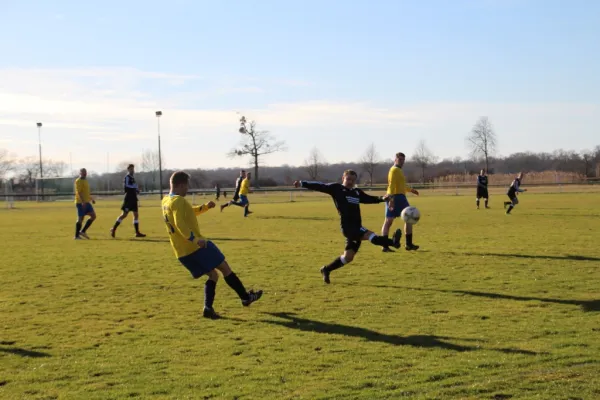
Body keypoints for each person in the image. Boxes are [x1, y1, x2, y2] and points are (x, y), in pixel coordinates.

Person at [162, 171, 263, 319]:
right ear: (181, 185)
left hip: (181, 252)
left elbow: (186, 213)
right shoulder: (179, 201)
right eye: (186, 186)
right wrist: (195, 240)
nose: (188, 189)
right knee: (224, 267)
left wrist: (205, 207)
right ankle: (245, 297)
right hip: (197, 246)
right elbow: (180, 224)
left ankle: (208, 309)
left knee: (213, 275)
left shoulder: (166, 200)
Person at [294, 169, 402, 284]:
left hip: (356, 226)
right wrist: (302, 183)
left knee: (348, 257)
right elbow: (320, 186)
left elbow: (368, 199)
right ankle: (392, 242)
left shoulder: (356, 192)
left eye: (352, 180)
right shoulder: (336, 189)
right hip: (348, 227)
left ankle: (326, 269)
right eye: (348, 179)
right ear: (343, 178)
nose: (350, 182)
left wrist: (382, 199)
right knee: (370, 235)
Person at [380, 152, 420, 252]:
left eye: (403, 160)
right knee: (389, 221)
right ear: (395, 159)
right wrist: (391, 199)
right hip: (395, 197)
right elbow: (392, 186)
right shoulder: (394, 170)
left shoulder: (398, 170)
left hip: (400, 197)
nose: (402, 162)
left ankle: (408, 244)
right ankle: (385, 246)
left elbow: (401, 186)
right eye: (400, 159)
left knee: (408, 219)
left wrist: (411, 190)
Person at [111, 164, 146, 238]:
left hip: (134, 198)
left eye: (133, 169)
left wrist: (137, 190)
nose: (132, 170)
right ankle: (113, 229)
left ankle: (137, 232)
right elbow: (127, 186)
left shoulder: (133, 178)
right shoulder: (127, 177)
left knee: (136, 215)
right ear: (128, 170)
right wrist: (134, 187)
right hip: (128, 199)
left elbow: (134, 186)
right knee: (124, 215)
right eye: (131, 169)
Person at [74, 168, 96, 239]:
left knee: (93, 216)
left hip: (87, 202)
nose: (84, 173)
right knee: (80, 219)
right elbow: (79, 192)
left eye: (85, 172)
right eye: (83, 172)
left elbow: (86, 192)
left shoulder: (85, 181)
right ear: (80, 173)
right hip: (80, 203)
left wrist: (91, 199)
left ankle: (83, 231)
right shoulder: (78, 181)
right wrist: (83, 201)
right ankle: (76, 236)